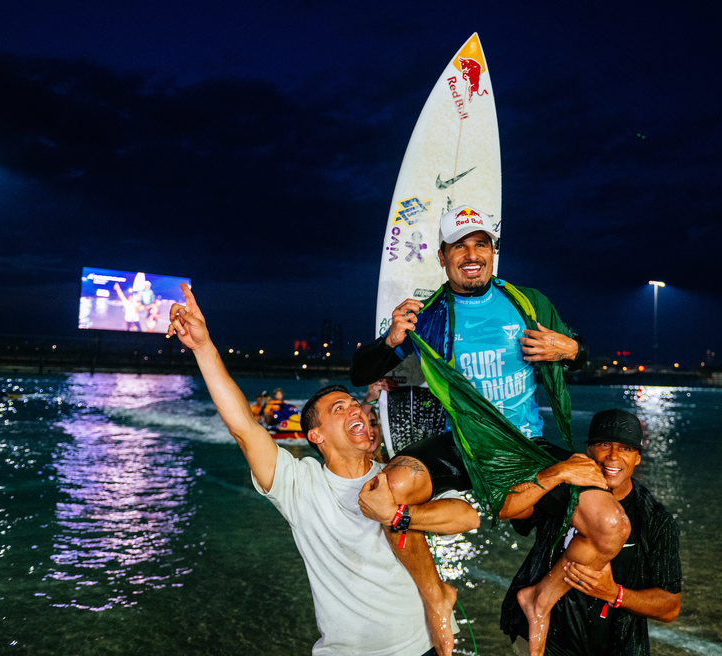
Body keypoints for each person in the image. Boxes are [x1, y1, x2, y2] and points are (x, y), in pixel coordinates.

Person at [351, 205, 631, 655]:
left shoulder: (528, 304)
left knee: (612, 525)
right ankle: (435, 595)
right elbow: (359, 370)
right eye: (459, 246)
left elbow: (585, 358)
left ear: (494, 252)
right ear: (442, 257)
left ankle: (540, 597)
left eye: (481, 243)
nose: (471, 253)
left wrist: (572, 348)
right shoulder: (428, 316)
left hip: (525, 444)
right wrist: (391, 341)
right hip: (459, 443)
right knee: (387, 490)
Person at [167, 284, 479, 656]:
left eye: (353, 404)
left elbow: (467, 517)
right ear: (315, 435)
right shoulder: (299, 484)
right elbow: (244, 428)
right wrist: (203, 347)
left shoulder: (398, 473)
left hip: (423, 645)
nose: (355, 411)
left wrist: (399, 515)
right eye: (339, 409)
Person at [501, 409, 682, 656]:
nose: (613, 456)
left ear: (638, 458)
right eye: (605, 444)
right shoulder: (562, 492)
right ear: (589, 451)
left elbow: (670, 606)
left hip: (618, 647)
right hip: (545, 639)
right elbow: (508, 507)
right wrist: (556, 473)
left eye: (626, 448)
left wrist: (614, 594)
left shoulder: (654, 520)